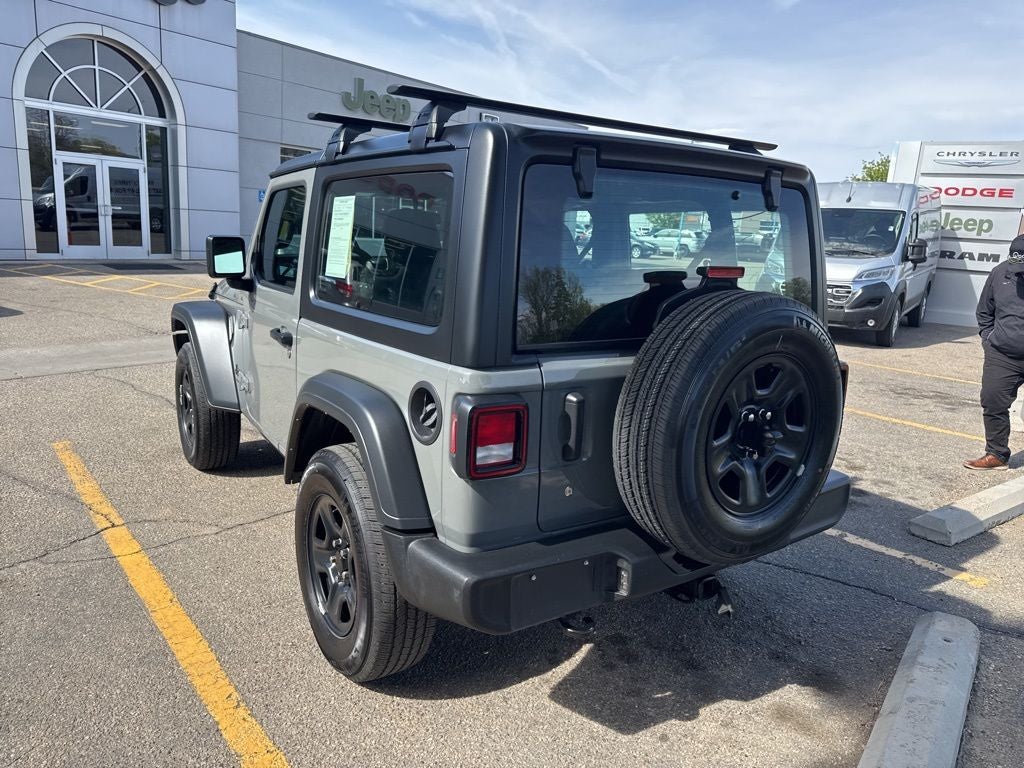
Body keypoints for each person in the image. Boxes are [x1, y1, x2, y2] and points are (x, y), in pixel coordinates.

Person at [965, 235, 1024, 470]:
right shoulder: (1000, 274)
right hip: (1002, 354)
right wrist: (989, 339)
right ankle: (997, 454)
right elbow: (984, 312)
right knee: (992, 400)